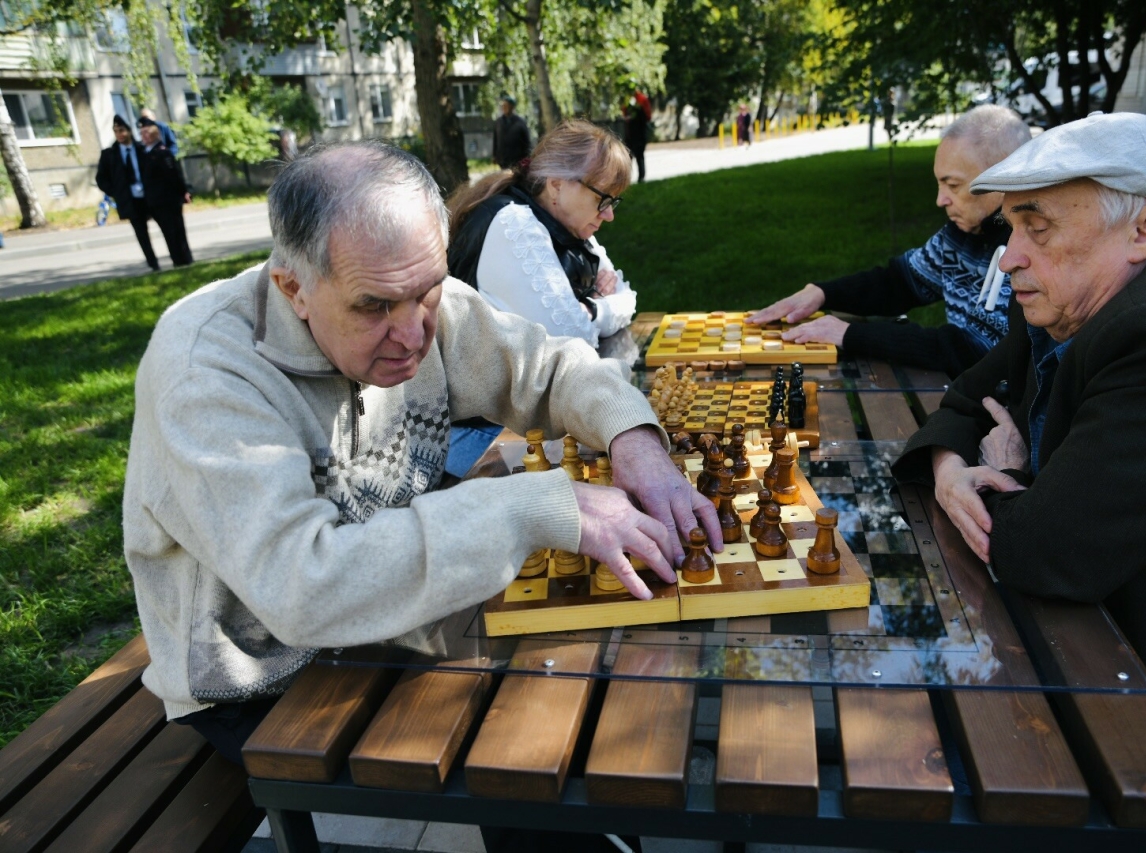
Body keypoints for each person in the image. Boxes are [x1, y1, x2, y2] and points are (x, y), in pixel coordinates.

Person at [123, 139, 721, 767]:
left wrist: (635, 439)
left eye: (428, 291)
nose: (413, 335)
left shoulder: (408, 288)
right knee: (525, 751)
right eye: (374, 307)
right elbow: (302, 589)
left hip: (396, 615)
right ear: (293, 288)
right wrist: (530, 507)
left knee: (587, 702)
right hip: (260, 676)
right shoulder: (205, 371)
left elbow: (547, 367)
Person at [892, 112, 1146, 849]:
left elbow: (1045, 550)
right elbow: (970, 395)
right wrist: (951, 468)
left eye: (1035, 226)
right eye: (1009, 227)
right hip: (1096, 655)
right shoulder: (1087, 285)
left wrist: (1004, 470)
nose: (1007, 260)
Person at [749, 105, 1032, 377]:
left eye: (953, 185)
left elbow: (972, 349)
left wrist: (848, 334)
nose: (940, 200)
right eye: (939, 184)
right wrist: (821, 293)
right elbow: (899, 284)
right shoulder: (962, 234)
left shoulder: (1025, 250)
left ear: (1002, 177)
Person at [445, 119, 638, 476]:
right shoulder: (514, 225)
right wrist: (597, 306)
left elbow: (629, 299)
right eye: (602, 199)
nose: (609, 215)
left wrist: (591, 308)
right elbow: (575, 343)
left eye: (614, 201)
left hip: (527, 418)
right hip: (481, 438)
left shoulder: (570, 226)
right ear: (557, 184)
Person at [95, 114, 159, 271]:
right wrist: (116, 192)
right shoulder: (109, 154)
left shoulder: (141, 148)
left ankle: (178, 258)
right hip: (130, 200)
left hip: (149, 197)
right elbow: (101, 179)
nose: (119, 134)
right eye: (116, 131)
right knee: (141, 233)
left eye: (122, 130)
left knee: (166, 226)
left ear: (129, 131)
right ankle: (153, 264)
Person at [137, 116, 193, 267]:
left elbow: (174, 175)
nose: (143, 136)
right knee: (168, 232)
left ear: (154, 134)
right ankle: (177, 259)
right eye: (141, 133)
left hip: (168, 200)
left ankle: (183, 260)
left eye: (146, 133)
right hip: (156, 201)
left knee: (176, 231)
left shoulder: (162, 152)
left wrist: (183, 192)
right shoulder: (146, 152)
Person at [492, 94, 532, 170]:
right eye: (503, 106)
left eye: (506, 105)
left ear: (512, 107)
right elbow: (495, 140)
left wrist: (527, 157)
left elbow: (526, 142)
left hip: (516, 159)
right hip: (503, 159)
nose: (504, 108)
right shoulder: (498, 122)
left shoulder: (520, 123)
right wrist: (494, 156)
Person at [622, 88, 651, 182]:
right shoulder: (627, 101)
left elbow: (648, 116)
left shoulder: (642, 99)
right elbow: (624, 114)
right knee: (629, 156)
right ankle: (626, 179)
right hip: (631, 134)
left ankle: (641, 178)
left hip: (639, 133)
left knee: (639, 155)